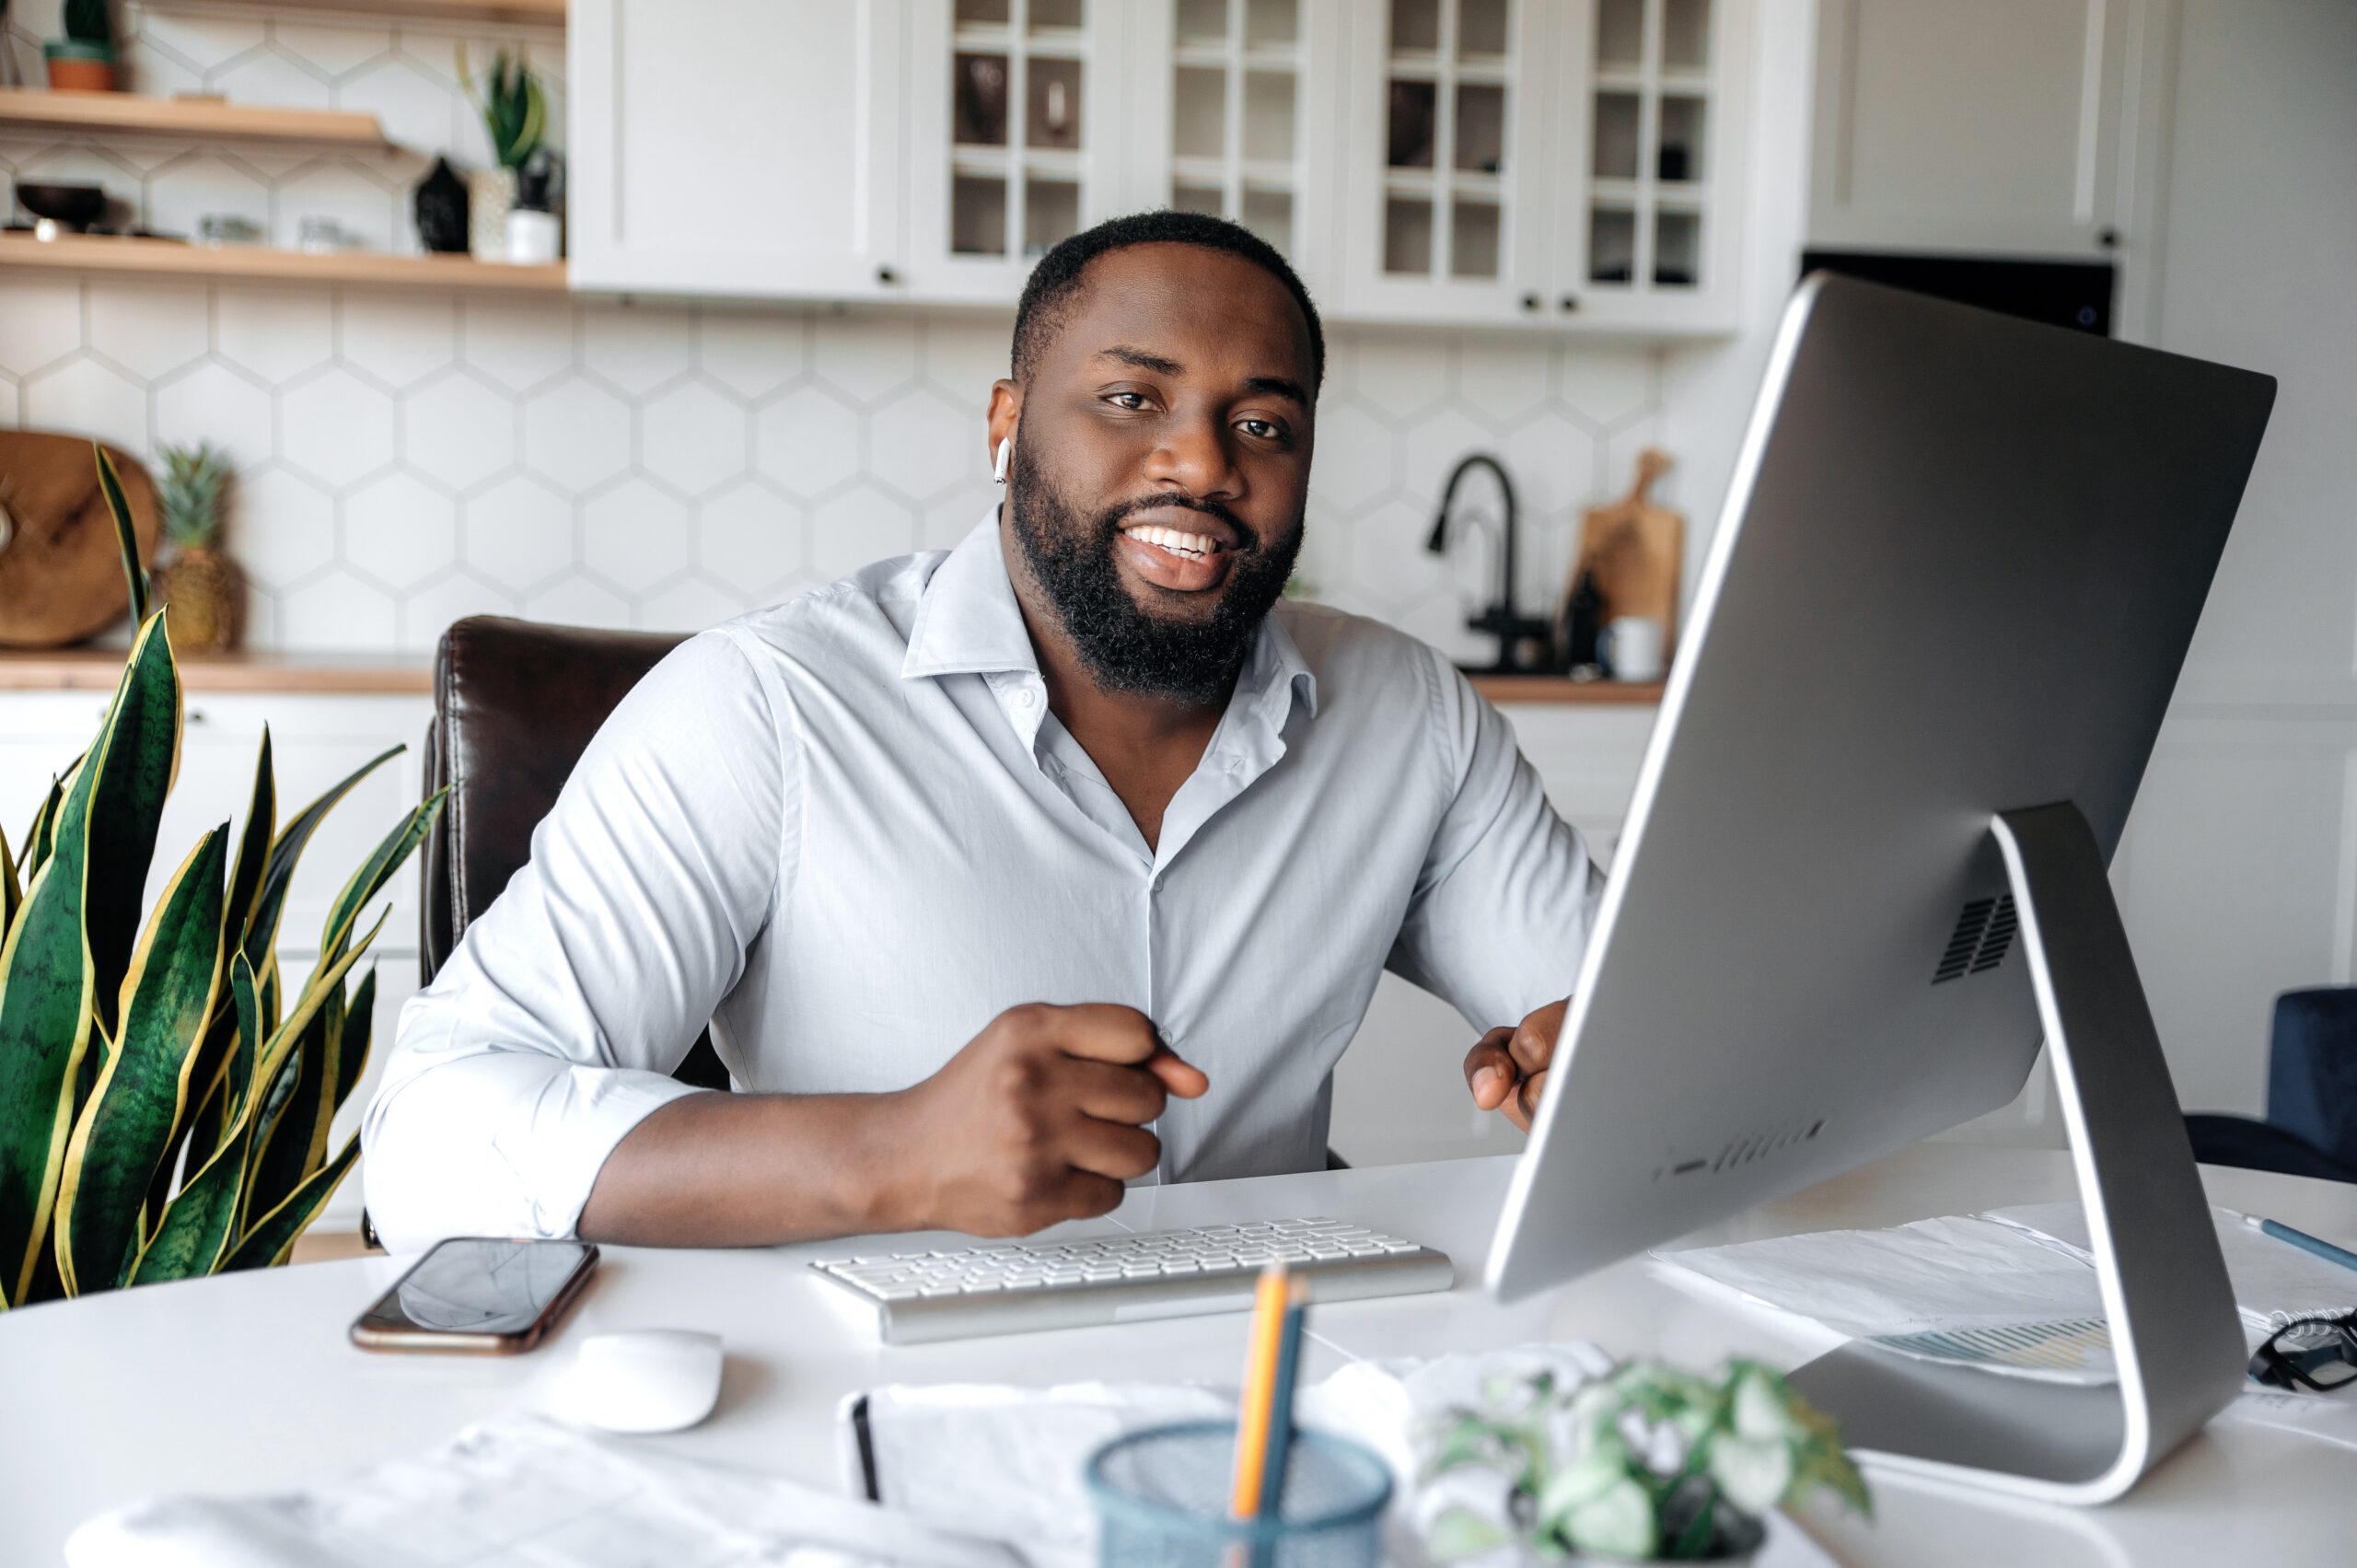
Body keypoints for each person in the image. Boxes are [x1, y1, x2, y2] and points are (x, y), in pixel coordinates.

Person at [362, 212, 1603, 1254]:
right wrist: (889, 1153)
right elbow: (427, 1138)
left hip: (1271, 1390)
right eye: (1131, 398)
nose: (1203, 462)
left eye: (1264, 424)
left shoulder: (1406, 714)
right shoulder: (769, 706)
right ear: (1007, 425)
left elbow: (1626, 1024)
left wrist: (1607, 1066)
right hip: (874, 1406)